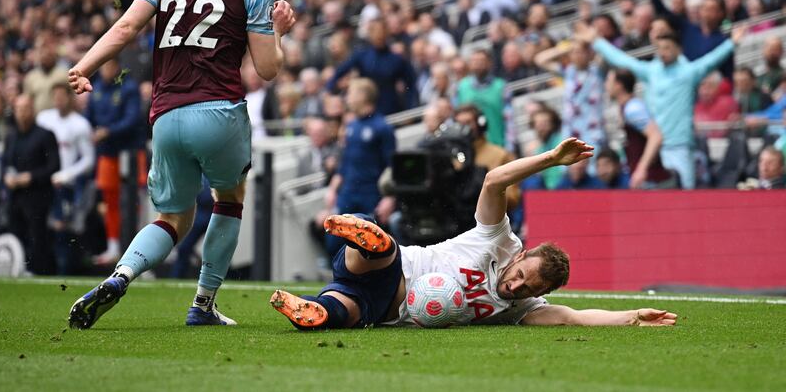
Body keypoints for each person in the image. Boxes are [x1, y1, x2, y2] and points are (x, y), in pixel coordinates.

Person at [67, 0, 296, 329]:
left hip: (167, 116)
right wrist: (278, 33)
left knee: (172, 217)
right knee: (229, 199)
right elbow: (267, 69)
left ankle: (121, 275)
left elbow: (126, 28)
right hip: (219, 112)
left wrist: (84, 67)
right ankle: (203, 303)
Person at [270, 138, 677, 329]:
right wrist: (551, 159)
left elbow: (574, 317)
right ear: (518, 256)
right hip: (397, 267)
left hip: (384, 309)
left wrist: (633, 317)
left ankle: (310, 309)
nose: (515, 286)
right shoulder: (498, 240)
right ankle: (363, 231)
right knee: (377, 251)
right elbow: (495, 180)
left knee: (343, 311)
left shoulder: (522, 308)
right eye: (520, 274)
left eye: (526, 288)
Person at [589, 25, 745, 189]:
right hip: (655, 148)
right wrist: (597, 42)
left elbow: (712, 60)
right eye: (660, 48)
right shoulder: (651, 72)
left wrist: (732, 43)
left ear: (679, 49)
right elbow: (623, 61)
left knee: (684, 197)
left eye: (668, 48)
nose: (663, 52)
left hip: (680, 146)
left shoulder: (689, 73)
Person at [323, 78, 395, 256]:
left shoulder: (382, 128)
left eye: (351, 93)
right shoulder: (351, 126)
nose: (347, 98)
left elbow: (392, 166)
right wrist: (333, 189)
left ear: (363, 96)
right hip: (348, 192)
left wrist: (390, 198)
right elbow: (345, 163)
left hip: (370, 193)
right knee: (334, 240)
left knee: (367, 243)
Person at [84, 58, 142, 265]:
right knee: (110, 202)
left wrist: (108, 131)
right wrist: (94, 131)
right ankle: (113, 247)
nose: (106, 70)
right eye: (103, 66)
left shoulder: (128, 87)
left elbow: (132, 118)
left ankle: (139, 249)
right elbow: (88, 117)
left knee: (135, 201)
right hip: (107, 154)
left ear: (117, 66)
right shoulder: (96, 88)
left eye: (110, 65)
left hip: (130, 153)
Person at [36, 83, 95, 274]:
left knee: (63, 229)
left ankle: (63, 271)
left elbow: (89, 159)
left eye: (62, 96)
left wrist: (67, 174)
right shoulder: (44, 119)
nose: (59, 100)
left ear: (70, 98)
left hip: (66, 184)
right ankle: (41, 268)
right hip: (43, 181)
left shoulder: (80, 124)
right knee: (40, 226)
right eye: (56, 96)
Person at [1, 94, 60, 275]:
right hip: (15, 195)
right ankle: (17, 268)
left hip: (37, 195)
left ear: (32, 111)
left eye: (25, 109)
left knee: (37, 235)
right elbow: (5, 162)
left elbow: (54, 166)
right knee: (15, 233)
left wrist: (31, 177)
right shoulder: (11, 136)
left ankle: (39, 270)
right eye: (18, 109)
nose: (21, 113)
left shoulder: (45, 135)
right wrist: (6, 177)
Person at [326, 18, 418, 115]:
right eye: (374, 31)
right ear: (370, 34)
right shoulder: (361, 55)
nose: (378, 34)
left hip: (391, 107)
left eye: (381, 30)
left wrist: (410, 109)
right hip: (367, 109)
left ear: (386, 32)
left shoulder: (396, 59)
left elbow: (410, 83)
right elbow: (340, 71)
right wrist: (329, 90)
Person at [604, 69, 674, 189]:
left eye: (608, 81)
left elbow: (656, 136)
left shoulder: (633, 109)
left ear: (618, 85)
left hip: (653, 183)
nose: (605, 85)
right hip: (646, 182)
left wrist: (641, 169)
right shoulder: (627, 107)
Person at [453, 105, 519, 212]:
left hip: (490, 221)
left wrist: (488, 191)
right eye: (459, 124)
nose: (463, 129)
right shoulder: (453, 158)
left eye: (468, 123)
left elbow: (513, 199)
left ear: (480, 124)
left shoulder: (500, 155)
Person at [457, 48, 508, 147]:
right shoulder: (461, 87)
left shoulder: (501, 86)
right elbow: (457, 117)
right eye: (474, 61)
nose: (478, 64)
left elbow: (508, 118)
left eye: (481, 61)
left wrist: (509, 145)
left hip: (498, 143)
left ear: (490, 63)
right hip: (471, 147)